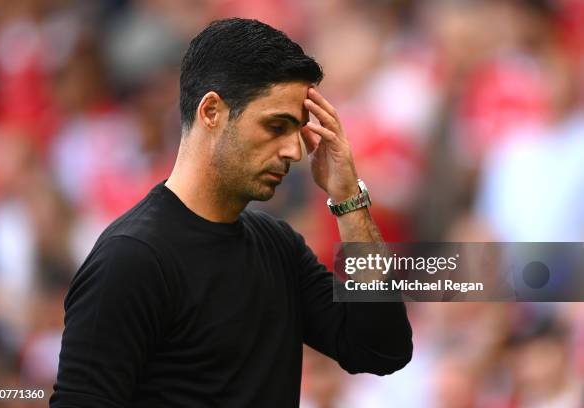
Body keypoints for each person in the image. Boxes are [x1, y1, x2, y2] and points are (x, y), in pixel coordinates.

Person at [49, 18, 412, 407]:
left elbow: (382, 347)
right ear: (211, 112)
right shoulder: (132, 258)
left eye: (299, 130)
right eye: (276, 126)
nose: (295, 151)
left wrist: (348, 199)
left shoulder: (278, 247)